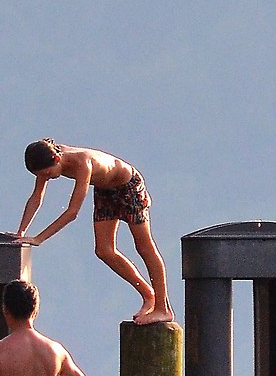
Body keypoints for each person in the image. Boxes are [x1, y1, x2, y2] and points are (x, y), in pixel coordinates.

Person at [16, 139, 175, 324]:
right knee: (104, 250)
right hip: (105, 190)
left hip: (128, 186)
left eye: (48, 174)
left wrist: (39, 238)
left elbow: (72, 212)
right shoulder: (45, 157)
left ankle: (163, 309)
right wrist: (21, 231)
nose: (47, 178)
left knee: (144, 247)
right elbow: (37, 197)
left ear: (57, 158)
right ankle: (149, 295)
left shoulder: (83, 163)